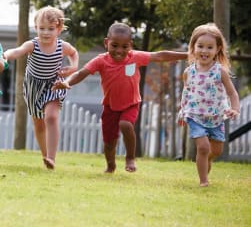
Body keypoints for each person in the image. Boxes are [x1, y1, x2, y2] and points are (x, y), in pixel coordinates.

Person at [52, 22, 187, 173]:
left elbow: (160, 55)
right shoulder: (100, 61)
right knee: (109, 142)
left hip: (131, 103)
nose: (119, 51)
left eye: (124, 47)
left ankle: (130, 158)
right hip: (110, 106)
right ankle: (110, 165)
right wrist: (67, 82)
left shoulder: (135, 57)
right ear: (106, 43)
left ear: (130, 45)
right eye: (114, 45)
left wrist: (188, 55)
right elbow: (81, 73)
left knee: (125, 125)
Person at [4, 6, 79, 170]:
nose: (46, 32)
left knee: (51, 117)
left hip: (53, 84)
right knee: (39, 124)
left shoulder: (62, 46)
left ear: (58, 29)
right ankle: (45, 156)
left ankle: (51, 158)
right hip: (33, 86)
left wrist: (73, 67)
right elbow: (17, 51)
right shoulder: (33, 45)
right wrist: (5, 56)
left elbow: (73, 53)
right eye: (41, 28)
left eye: (51, 29)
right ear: (36, 28)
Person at [178, 23, 240, 187]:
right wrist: (182, 113)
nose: (204, 51)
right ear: (193, 47)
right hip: (195, 115)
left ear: (218, 49)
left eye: (209, 47)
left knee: (216, 150)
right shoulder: (188, 72)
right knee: (203, 147)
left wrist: (235, 108)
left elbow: (232, 93)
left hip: (216, 116)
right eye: (200, 46)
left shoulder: (220, 71)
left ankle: (204, 160)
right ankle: (203, 182)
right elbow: (186, 93)